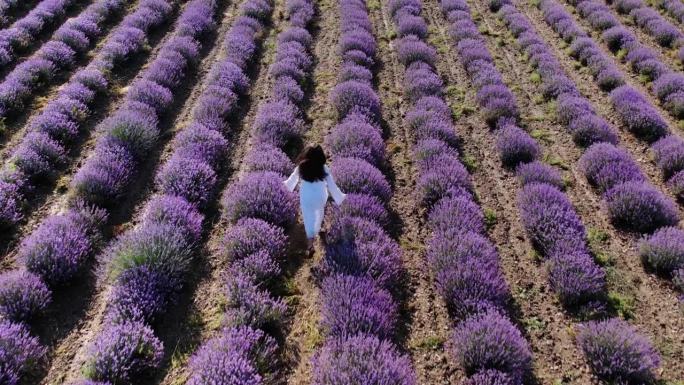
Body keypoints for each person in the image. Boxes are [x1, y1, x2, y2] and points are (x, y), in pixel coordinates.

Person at [284, 145, 346, 254]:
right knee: (319, 212)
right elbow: (332, 186)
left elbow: (291, 181)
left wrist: (281, 187)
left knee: (308, 219)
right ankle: (319, 228)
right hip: (320, 197)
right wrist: (341, 197)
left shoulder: (301, 167)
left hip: (306, 197)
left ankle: (310, 244)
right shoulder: (324, 168)